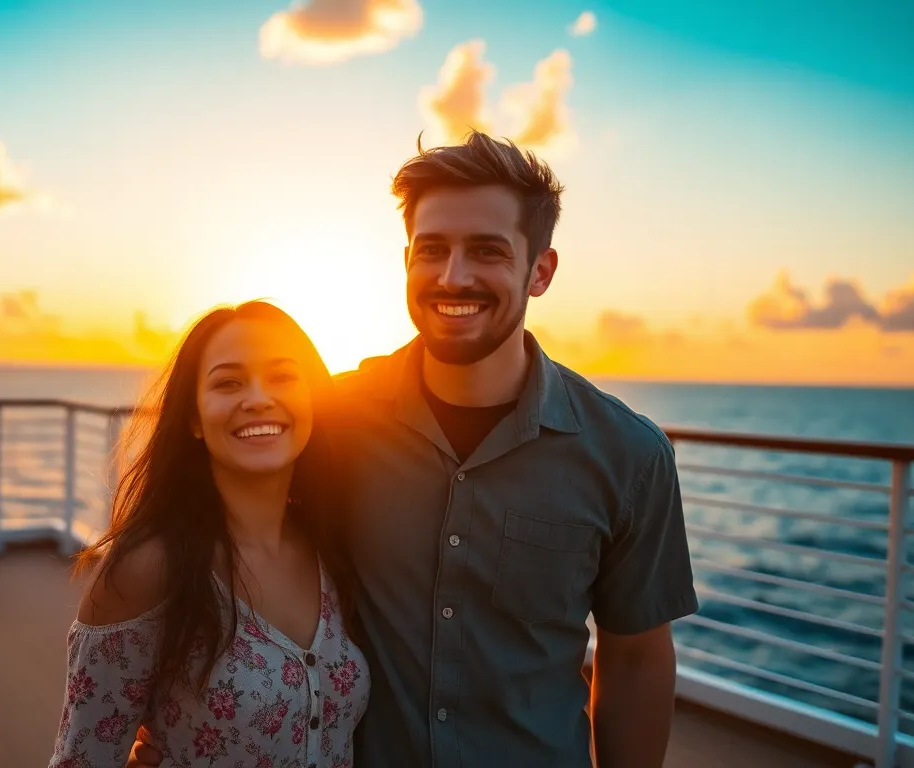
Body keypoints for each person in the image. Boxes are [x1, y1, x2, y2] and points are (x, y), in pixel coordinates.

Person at [128, 130, 699, 767]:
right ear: (407, 263)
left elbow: (638, 655)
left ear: (541, 270)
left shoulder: (629, 456)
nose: (454, 276)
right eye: (433, 250)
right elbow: (217, 526)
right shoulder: (331, 417)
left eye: (487, 251)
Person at [48, 301, 369, 767]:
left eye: (282, 376)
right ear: (195, 418)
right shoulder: (146, 570)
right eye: (228, 382)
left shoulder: (333, 549)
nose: (258, 398)